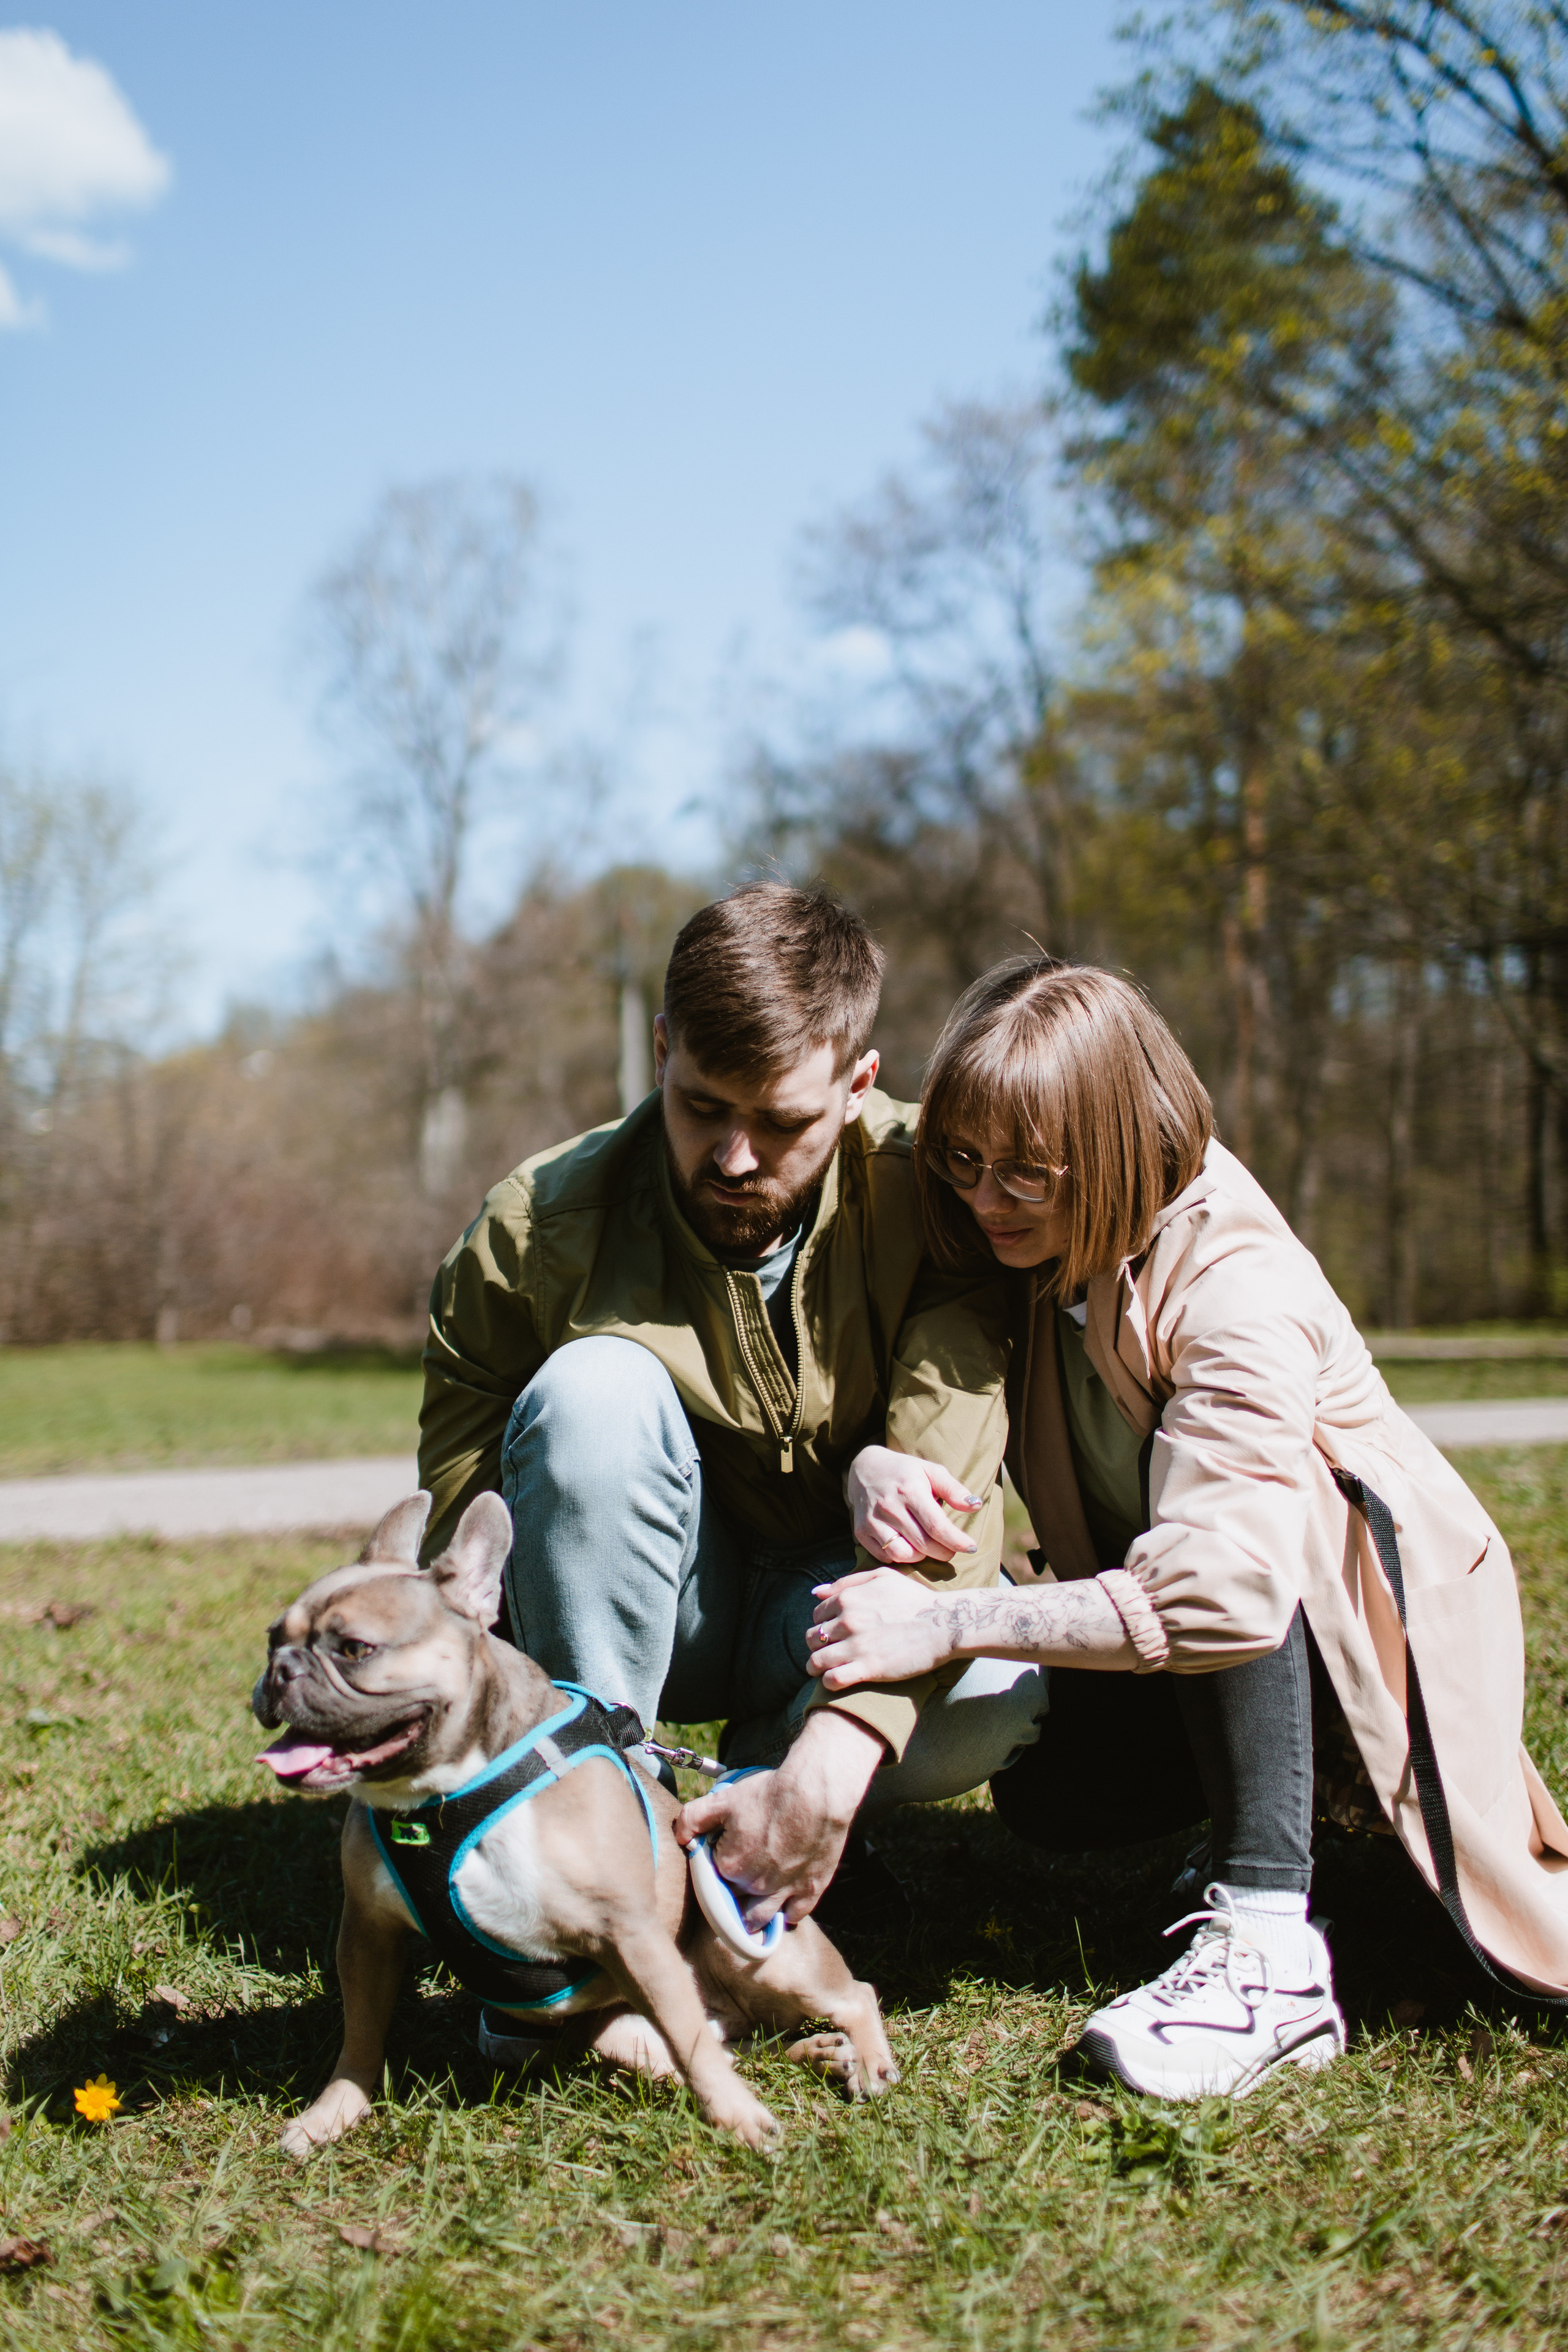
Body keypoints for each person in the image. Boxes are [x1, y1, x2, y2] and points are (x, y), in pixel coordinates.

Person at [804, 957, 1568, 2098]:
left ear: (1112, 1148)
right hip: (1207, 1618)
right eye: (962, 1161)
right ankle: (1300, 1833)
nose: (982, 1198)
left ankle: (1269, 1954)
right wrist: (869, 1461)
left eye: (1024, 1171)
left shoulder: (1237, 1287)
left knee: (1231, 1562)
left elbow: (1228, 1588)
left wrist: (949, 1624)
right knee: (1056, 1795)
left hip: (1366, 1645)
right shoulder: (1031, 1238)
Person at [417, 884, 1046, 2059]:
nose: (736, 1156)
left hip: (828, 1607)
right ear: (662, 1049)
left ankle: (755, 1824)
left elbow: (950, 1507)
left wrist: (834, 1755)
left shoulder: (936, 1194)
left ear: (858, 1084)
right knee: (592, 1395)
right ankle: (606, 1849)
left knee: (1002, 1681)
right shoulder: (533, 1229)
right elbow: (462, 1538)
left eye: (784, 1122)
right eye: (701, 1106)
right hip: (654, 1606)